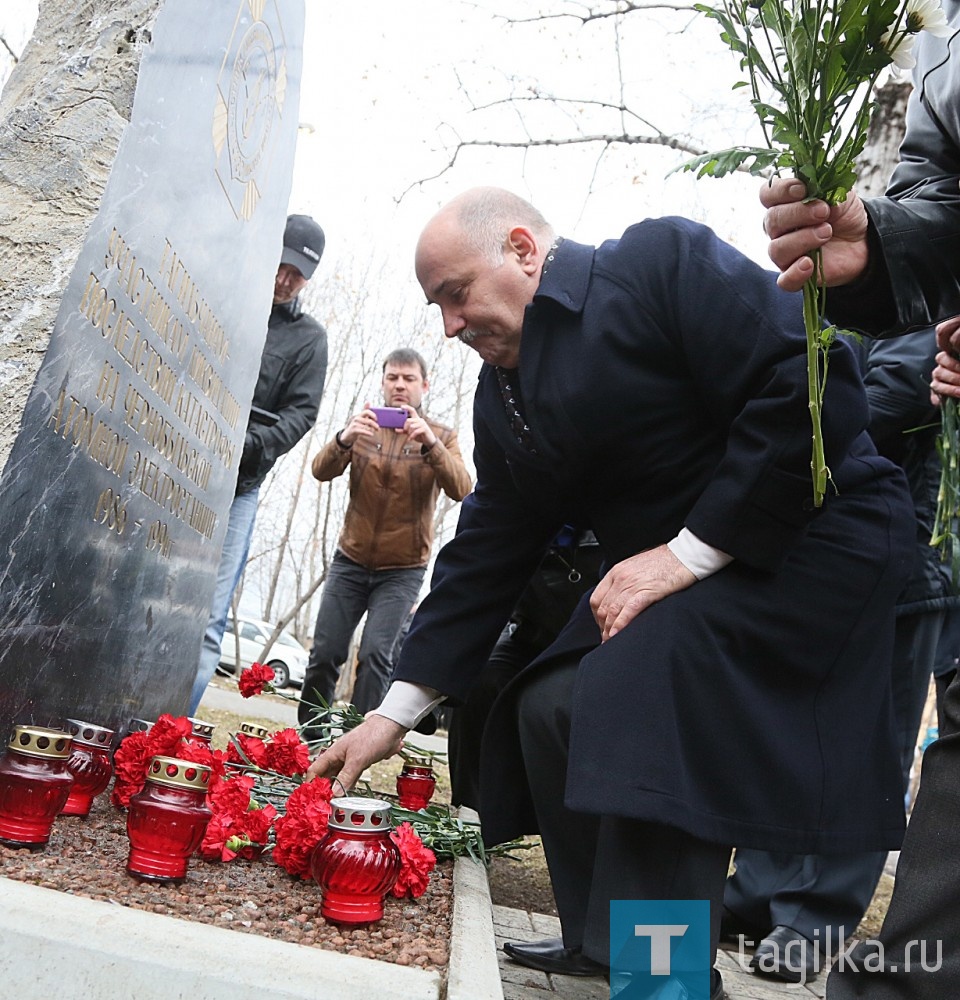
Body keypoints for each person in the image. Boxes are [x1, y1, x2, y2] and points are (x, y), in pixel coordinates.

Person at [306, 187, 914, 1000]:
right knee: (550, 699)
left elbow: (811, 380)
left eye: (457, 294)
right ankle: (604, 940)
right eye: (437, 307)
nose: (449, 326)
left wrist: (684, 556)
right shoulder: (504, 396)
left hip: (815, 537)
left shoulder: (660, 265)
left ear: (524, 250)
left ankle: (664, 979)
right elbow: (488, 548)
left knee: (638, 686)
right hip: (694, 572)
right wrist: (390, 714)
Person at [761, 8, 960, 995]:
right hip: (850, 525)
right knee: (811, 715)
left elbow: (905, 374)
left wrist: (846, 421)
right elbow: (941, 204)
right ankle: (767, 901)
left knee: (875, 735)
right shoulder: (944, 42)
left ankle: (812, 917)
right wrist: (876, 245)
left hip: (911, 524)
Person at [721, 328, 958, 984]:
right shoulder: (841, 312)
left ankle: (817, 917)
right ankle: (757, 892)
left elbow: (875, 401)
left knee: (870, 747)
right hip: (828, 562)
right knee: (793, 733)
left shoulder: (925, 306)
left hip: (907, 563)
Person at [188, 214, 328, 715]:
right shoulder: (225, 302)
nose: (286, 280)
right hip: (180, 470)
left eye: (299, 275)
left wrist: (248, 443)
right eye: (282, 266)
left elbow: (302, 415)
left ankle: (173, 731)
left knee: (208, 621)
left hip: (241, 487)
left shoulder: (311, 340)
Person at [297, 348, 472, 729]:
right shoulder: (364, 427)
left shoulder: (440, 435)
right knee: (325, 653)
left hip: (402, 569)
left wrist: (431, 445)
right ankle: (308, 739)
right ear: (383, 382)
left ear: (424, 386)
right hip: (350, 560)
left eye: (409, 379)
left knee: (377, 655)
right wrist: (344, 439)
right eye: (392, 377)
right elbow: (319, 471)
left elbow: (463, 488)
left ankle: (350, 741)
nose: (399, 385)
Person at [448, 526, 602, 811]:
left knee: (555, 700)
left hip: (598, 646)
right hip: (529, 636)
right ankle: (471, 813)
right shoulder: (517, 519)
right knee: (479, 677)